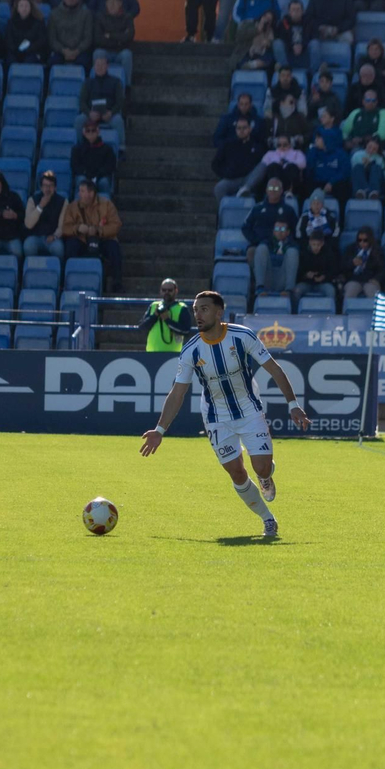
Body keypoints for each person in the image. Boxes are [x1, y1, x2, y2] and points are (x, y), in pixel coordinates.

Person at [139, 290, 309, 538]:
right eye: (196, 309)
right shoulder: (191, 350)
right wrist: (160, 429)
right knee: (237, 472)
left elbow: (274, 369)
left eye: (204, 309)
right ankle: (268, 519)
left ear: (219, 312)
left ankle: (265, 476)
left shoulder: (242, 336)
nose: (197, 314)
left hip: (249, 410)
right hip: (216, 418)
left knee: (261, 468)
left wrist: (293, 404)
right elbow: (177, 393)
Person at [60, 178, 123, 290]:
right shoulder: (73, 207)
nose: (82, 194)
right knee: (71, 246)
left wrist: (99, 230)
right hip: (82, 239)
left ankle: (117, 282)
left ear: (92, 193)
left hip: (102, 239)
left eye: (85, 191)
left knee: (114, 247)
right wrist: (77, 228)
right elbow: (65, 227)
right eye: (81, 191)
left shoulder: (107, 205)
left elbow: (116, 225)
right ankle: (68, 280)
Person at [23, 169, 66, 259]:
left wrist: (55, 236)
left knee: (58, 249)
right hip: (35, 236)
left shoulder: (63, 201)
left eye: (51, 186)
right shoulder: (33, 200)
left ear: (55, 188)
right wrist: (40, 207)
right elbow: (28, 224)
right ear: (41, 187)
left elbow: (62, 225)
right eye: (45, 186)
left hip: (53, 237)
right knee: (28, 246)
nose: (47, 189)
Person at [293, 227, 341, 303]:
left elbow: (333, 270)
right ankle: (295, 313)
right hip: (306, 282)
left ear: (322, 243)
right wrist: (306, 275)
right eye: (313, 244)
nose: (316, 247)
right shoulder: (303, 253)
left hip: (323, 283)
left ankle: (331, 312)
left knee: (331, 291)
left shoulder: (329, 253)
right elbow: (298, 271)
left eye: (318, 245)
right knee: (297, 291)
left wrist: (324, 277)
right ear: (309, 242)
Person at [252, 219, 299, 297]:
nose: (280, 232)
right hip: (268, 276)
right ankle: (260, 287)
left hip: (283, 277)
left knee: (292, 252)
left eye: (283, 229)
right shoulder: (267, 242)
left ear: (288, 232)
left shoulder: (293, 244)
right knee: (261, 249)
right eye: (277, 229)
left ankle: (289, 290)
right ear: (273, 231)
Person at [342, 227, 385, 297]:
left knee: (372, 294)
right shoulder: (350, 249)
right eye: (359, 240)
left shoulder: (378, 251)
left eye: (365, 240)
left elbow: (382, 269)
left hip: (370, 280)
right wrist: (352, 263)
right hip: (354, 279)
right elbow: (343, 266)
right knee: (349, 293)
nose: (362, 243)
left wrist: (376, 279)